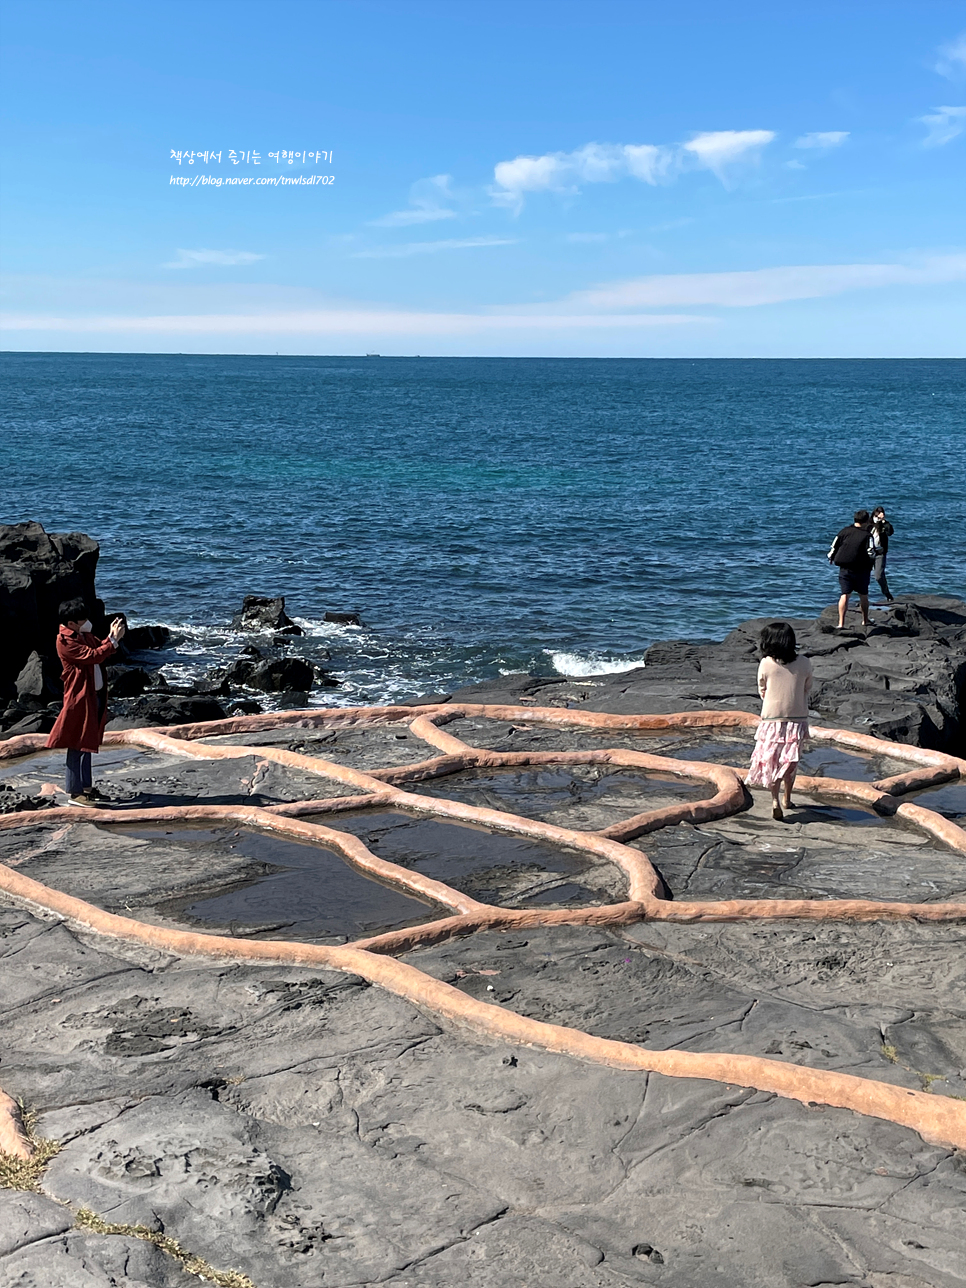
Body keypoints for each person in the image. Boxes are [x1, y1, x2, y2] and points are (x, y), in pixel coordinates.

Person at [45, 599, 125, 805]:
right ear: (71, 623)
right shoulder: (65, 641)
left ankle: (87, 787)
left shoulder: (83, 635)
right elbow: (92, 656)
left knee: (88, 742)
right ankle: (75, 791)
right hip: (79, 697)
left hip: (93, 694)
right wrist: (113, 640)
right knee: (76, 743)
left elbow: (101, 648)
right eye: (83, 619)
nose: (87, 622)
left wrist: (111, 638)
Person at [745, 621, 813, 820]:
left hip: (772, 718)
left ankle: (774, 800)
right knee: (790, 760)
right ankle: (787, 798)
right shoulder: (804, 663)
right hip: (797, 718)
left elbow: (762, 689)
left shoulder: (766, 663)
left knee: (771, 760)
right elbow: (807, 687)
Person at [828, 509, 873, 629]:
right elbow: (871, 552)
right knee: (863, 595)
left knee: (845, 595)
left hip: (845, 568)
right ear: (866, 521)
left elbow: (834, 547)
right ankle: (865, 620)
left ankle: (841, 623)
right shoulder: (867, 535)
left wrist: (831, 557)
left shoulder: (844, 531)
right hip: (861, 569)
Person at [870, 506, 895, 604]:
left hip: (880, 552)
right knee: (863, 576)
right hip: (868, 552)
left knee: (878, 576)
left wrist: (884, 522)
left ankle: (886, 593)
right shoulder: (869, 524)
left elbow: (890, 532)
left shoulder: (884, 525)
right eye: (878, 515)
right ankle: (863, 597)